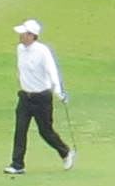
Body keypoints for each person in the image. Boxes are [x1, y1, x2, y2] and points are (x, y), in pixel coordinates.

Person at [7, 18, 72, 173]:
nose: (21, 36)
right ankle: (17, 164)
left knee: (45, 131)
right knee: (20, 130)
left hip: (41, 98)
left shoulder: (42, 51)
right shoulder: (20, 49)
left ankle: (65, 151)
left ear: (32, 35)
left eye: (24, 34)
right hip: (25, 97)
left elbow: (52, 72)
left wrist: (58, 92)